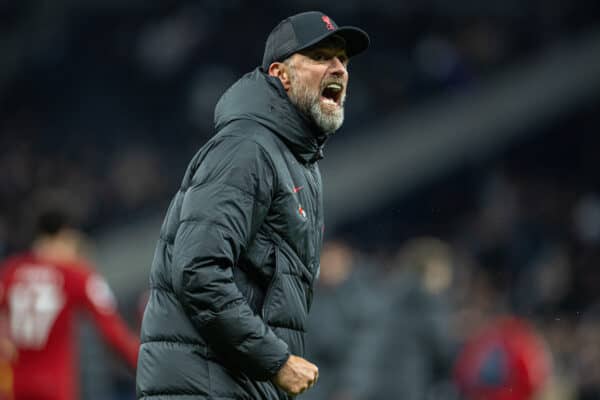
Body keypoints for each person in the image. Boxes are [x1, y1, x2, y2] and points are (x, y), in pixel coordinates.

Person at [136, 10, 369, 400]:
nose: (339, 68)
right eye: (320, 57)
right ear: (281, 74)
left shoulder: (295, 161)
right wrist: (275, 360)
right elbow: (198, 270)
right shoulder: (248, 148)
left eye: (342, 59)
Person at [0, 210, 140, 400]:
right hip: (54, 390)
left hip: (13, 389)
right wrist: (149, 365)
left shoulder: (10, 272)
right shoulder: (75, 275)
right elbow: (114, 334)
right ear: (65, 236)